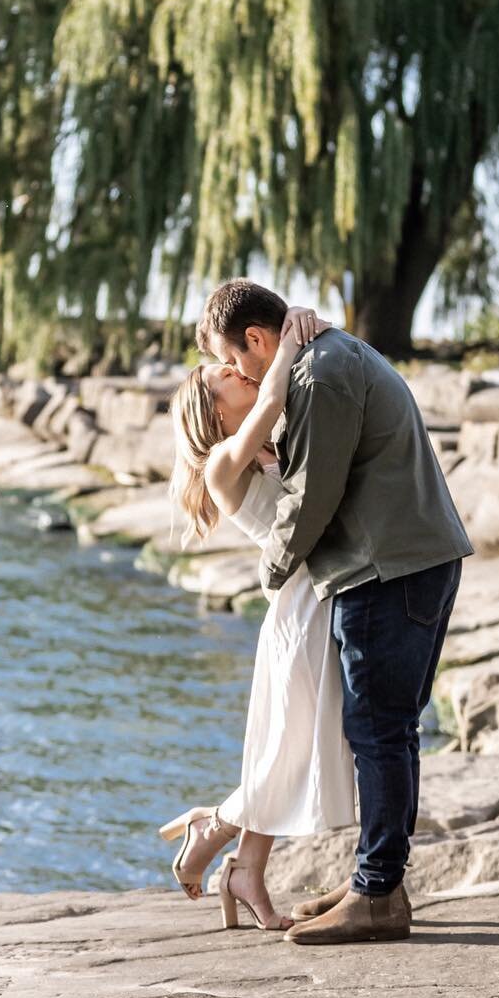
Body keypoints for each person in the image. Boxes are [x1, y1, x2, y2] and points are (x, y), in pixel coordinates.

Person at [196, 278, 475, 946]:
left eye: (236, 361)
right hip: (401, 560)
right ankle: (374, 882)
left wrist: (269, 575)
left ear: (258, 340)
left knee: (380, 730)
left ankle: (376, 894)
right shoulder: (324, 360)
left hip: (385, 568)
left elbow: (311, 498)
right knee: (385, 729)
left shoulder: (320, 375)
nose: (239, 374)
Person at [158, 304, 356, 932]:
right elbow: (273, 392)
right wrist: (291, 338)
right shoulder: (224, 464)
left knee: (291, 750)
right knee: (289, 754)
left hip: (319, 599)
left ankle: (244, 865)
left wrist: (295, 329)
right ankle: (212, 829)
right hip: (298, 612)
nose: (237, 374)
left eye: (233, 366)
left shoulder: (270, 443)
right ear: (214, 414)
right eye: (225, 378)